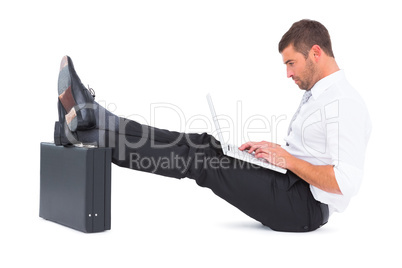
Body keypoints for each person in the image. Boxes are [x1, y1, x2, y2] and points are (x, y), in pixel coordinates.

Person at [54, 19, 371, 232]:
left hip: (303, 207)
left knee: (200, 161)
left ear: (315, 53)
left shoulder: (345, 104)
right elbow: (313, 155)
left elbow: (344, 183)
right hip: (289, 181)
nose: (288, 73)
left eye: (291, 63)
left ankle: (98, 138)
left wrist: (287, 159)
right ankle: (98, 118)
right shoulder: (322, 95)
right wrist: (274, 152)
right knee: (204, 143)